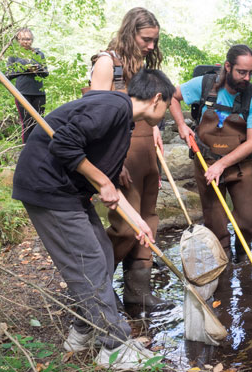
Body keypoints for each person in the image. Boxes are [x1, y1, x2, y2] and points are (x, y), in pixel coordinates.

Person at [12, 68, 175, 370]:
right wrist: (101, 182)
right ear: (156, 99)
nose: (166, 113)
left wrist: (138, 222)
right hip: (47, 188)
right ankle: (114, 347)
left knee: (101, 253)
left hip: (68, 191)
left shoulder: (122, 120)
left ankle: (84, 331)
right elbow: (63, 144)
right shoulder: (112, 107)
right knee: (90, 264)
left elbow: (108, 181)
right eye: (168, 105)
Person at [89, 7, 170, 311]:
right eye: (146, 39)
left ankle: (138, 293)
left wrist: (156, 132)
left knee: (148, 221)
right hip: (121, 158)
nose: (151, 46)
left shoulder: (144, 66)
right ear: (130, 32)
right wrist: (114, 163)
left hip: (148, 153)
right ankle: (91, 285)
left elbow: (149, 108)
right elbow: (95, 119)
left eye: (154, 41)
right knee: (126, 227)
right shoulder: (107, 63)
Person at [170, 44, 252, 262]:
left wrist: (222, 165)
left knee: (249, 219)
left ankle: (243, 255)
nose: (247, 78)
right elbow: (172, 97)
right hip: (205, 163)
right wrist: (181, 125)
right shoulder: (204, 85)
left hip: (239, 166)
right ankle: (224, 261)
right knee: (215, 222)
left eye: (251, 72)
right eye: (242, 72)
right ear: (228, 67)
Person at [6, 27, 48, 143]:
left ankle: (39, 148)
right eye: (23, 39)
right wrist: (25, 69)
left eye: (28, 39)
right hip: (22, 94)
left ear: (32, 40)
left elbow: (46, 73)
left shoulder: (39, 54)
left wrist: (38, 69)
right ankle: (26, 150)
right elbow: (8, 74)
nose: (26, 41)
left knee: (40, 122)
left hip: (39, 93)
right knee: (27, 123)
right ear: (18, 40)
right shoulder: (14, 55)